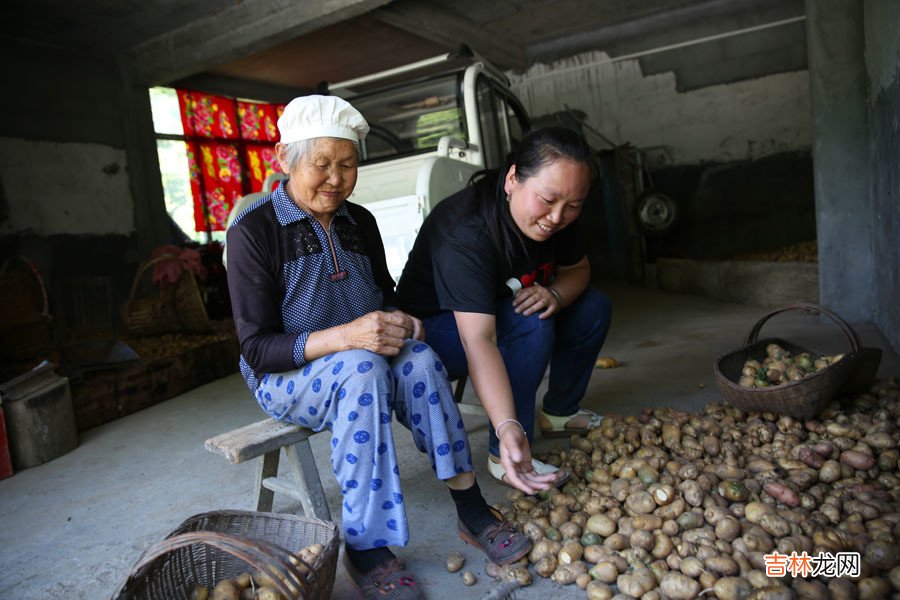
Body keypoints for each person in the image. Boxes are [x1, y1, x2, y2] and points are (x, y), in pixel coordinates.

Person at [226, 95, 532, 600]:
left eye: (347, 165)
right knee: (363, 369)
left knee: (419, 360)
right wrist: (349, 339)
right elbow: (258, 349)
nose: (335, 178)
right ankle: (366, 545)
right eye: (320, 164)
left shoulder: (358, 221)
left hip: (359, 360)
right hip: (286, 378)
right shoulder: (254, 231)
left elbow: (384, 297)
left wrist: (402, 322)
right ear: (283, 159)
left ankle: (471, 507)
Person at [396, 126, 612, 494]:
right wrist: (508, 425)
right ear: (513, 179)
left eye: (573, 206)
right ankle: (506, 452)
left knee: (591, 306)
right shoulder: (467, 233)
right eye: (548, 200)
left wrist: (556, 295)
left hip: (492, 314)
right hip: (431, 335)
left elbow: (578, 271)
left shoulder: (560, 212)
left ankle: (559, 412)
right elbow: (479, 339)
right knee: (530, 324)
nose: (557, 217)